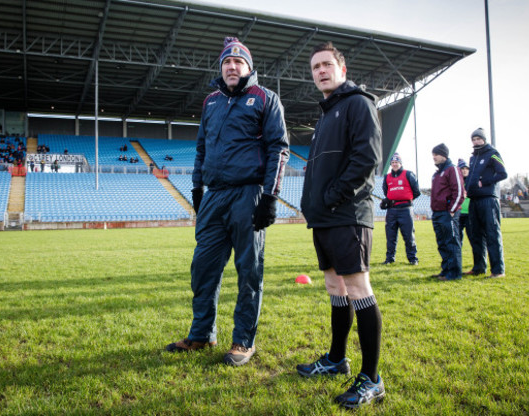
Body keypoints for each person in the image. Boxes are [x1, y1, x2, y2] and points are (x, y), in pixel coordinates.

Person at [165, 37, 289, 367]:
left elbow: (279, 148)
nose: (232, 66)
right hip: (214, 196)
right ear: (221, 68)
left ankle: (243, 341)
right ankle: (202, 333)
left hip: (248, 195)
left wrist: (269, 197)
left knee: (249, 271)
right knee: (202, 269)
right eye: (226, 62)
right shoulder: (210, 102)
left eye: (238, 62)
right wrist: (196, 189)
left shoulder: (265, 98)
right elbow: (201, 149)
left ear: (249, 67)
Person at [296, 42, 385, 409]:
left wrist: (332, 195)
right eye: (315, 67)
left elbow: (367, 158)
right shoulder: (326, 114)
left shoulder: (358, 104)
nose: (321, 71)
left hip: (348, 213)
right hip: (324, 216)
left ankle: (372, 378)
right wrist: (311, 202)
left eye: (327, 64)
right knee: (334, 284)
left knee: (357, 286)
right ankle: (336, 359)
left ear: (342, 70)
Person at [465, 128, 508, 278]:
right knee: (476, 235)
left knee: (492, 234)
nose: (476, 141)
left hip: (488, 199)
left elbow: (503, 173)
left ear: (484, 139)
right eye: (473, 139)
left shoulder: (493, 153)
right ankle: (479, 267)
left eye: (478, 139)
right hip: (474, 200)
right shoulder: (473, 158)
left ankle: (498, 270)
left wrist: (486, 182)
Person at [430, 144, 465, 280]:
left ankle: (454, 273)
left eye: (436, 154)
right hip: (437, 213)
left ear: (444, 155)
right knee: (442, 243)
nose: (434, 157)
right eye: (433, 154)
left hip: (447, 213)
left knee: (451, 242)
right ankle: (446, 270)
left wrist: (452, 210)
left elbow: (459, 192)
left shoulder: (452, 170)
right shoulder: (436, 174)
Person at [381, 152, 420, 265]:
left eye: (396, 162)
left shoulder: (408, 174)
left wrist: (406, 199)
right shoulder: (387, 177)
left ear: (400, 163)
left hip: (405, 209)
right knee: (390, 236)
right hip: (392, 210)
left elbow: (416, 191)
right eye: (392, 162)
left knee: (408, 235)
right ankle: (389, 258)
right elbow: (386, 191)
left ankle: (413, 258)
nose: (394, 164)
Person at [458, 158, 471, 245]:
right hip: (458, 213)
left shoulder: (472, 181)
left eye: (466, 168)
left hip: (470, 213)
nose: (465, 170)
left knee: (474, 239)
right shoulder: (456, 182)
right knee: (458, 240)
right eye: (462, 168)